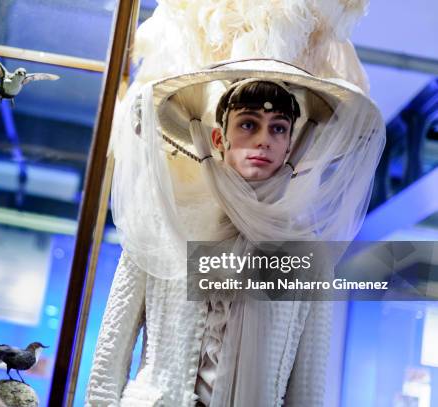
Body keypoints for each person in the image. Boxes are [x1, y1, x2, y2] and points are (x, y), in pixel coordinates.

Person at [86, 1, 385, 406]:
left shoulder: (305, 255)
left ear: (291, 144)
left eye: (279, 128)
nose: (264, 139)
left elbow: (308, 388)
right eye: (248, 124)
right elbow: (108, 360)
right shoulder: (165, 225)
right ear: (218, 139)